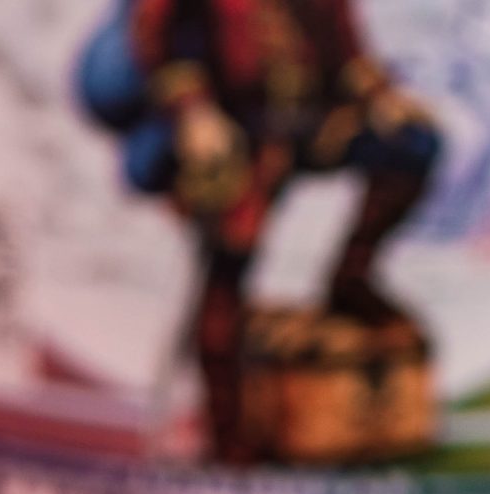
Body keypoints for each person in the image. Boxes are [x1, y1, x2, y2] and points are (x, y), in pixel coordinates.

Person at [81, 0, 442, 460]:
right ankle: (228, 432)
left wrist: (381, 99)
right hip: (240, 134)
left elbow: (343, 47)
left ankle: (352, 276)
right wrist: (195, 114)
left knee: (411, 147)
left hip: (314, 123)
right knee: (230, 264)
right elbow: (166, 45)